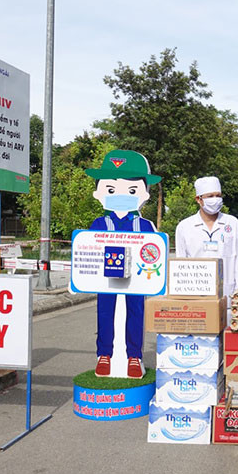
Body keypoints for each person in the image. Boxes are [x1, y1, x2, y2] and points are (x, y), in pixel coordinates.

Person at [86, 149, 160, 378]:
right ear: (99, 192)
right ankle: (104, 354)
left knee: (136, 312)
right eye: (111, 189)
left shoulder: (145, 226)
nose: (120, 194)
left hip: (136, 280)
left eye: (131, 190)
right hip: (106, 280)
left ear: (144, 193)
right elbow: (87, 250)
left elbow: (155, 253)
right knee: (105, 312)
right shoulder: (99, 223)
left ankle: (134, 356)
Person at [175, 176, 238, 299]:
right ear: (199, 199)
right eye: (210, 196)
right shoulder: (185, 226)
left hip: (228, 295)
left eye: (218, 195)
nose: (215, 199)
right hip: (196, 294)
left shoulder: (232, 223)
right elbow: (180, 263)